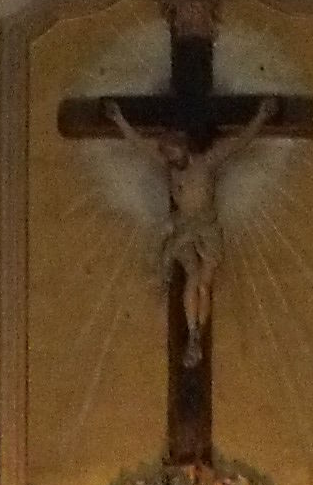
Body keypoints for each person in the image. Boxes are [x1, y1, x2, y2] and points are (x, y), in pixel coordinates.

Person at [101, 109, 263, 371]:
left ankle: (198, 332)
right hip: (183, 228)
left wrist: (262, 116)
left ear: (184, 147)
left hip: (206, 229)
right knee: (192, 277)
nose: (170, 159)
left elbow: (241, 142)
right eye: (167, 155)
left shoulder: (205, 163)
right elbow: (139, 144)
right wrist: (119, 119)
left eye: (173, 153)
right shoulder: (170, 166)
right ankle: (193, 335)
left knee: (203, 284)